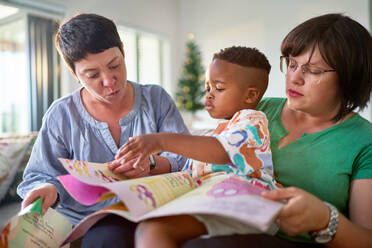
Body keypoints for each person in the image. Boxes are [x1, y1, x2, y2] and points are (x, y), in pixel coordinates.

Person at [182, 13, 372, 248]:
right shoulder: (254, 109)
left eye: (313, 70)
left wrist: (325, 220)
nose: (294, 78)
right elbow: (209, 156)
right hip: (222, 226)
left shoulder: (365, 142)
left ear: (349, 77)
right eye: (292, 64)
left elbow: (366, 238)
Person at [16, 13, 189, 246]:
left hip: (154, 209)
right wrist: (48, 189)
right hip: (91, 220)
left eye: (114, 65)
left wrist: (150, 164)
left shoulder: (155, 99)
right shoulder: (61, 114)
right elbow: (40, 175)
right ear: (75, 74)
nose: (109, 80)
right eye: (93, 75)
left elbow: (185, 159)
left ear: (123, 51)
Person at [114, 46, 280, 247]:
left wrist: (161, 141)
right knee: (142, 224)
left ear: (250, 96)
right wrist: (148, 166)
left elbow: (222, 152)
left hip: (246, 203)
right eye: (208, 87)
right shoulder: (213, 133)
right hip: (213, 201)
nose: (209, 95)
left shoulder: (252, 121)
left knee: (153, 230)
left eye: (219, 88)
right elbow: (188, 172)